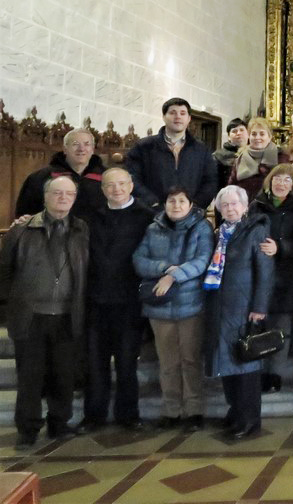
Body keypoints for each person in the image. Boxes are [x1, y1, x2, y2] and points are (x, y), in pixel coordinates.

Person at [1, 176, 88, 450]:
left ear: (75, 199)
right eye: (57, 193)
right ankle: (27, 430)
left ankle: (59, 424)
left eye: (69, 194)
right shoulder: (22, 229)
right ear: (45, 196)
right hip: (31, 315)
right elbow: (5, 271)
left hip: (67, 315)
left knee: (63, 375)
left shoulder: (82, 229)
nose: (63, 198)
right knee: (30, 376)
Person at [133, 186, 215, 432]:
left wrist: (174, 276)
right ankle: (171, 410)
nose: (176, 205)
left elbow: (202, 260)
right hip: (160, 308)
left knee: (190, 360)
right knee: (168, 362)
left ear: (190, 205)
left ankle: (194, 410)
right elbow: (139, 259)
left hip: (191, 305)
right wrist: (164, 269)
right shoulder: (153, 229)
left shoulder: (201, 228)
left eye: (181, 201)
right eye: (171, 201)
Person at [80, 168, 154, 432]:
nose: (116, 189)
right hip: (96, 300)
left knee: (126, 362)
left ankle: (128, 414)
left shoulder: (147, 217)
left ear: (131, 186)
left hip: (129, 301)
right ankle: (94, 416)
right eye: (110, 185)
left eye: (122, 184)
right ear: (103, 190)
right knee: (95, 363)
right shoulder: (91, 217)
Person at [205, 186, 276, 440]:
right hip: (221, 307)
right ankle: (235, 412)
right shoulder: (219, 233)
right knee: (227, 362)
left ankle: (250, 419)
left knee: (246, 364)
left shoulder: (256, 231)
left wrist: (259, 307)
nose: (230, 208)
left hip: (245, 307)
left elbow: (265, 271)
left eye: (235, 204)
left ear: (245, 207)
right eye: (225, 205)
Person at [249, 165, 293, 394]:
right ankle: (258, 372)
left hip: (287, 275)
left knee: (283, 328)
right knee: (259, 327)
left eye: (287, 180)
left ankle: (275, 374)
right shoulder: (256, 206)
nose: (281, 183)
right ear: (269, 182)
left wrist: (280, 247)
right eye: (277, 179)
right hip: (259, 274)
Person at [124, 98, 218, 210]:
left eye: (182, 113)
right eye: (172, 112)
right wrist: (152, 202)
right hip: (152, 212)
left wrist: (194, 206)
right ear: (164, 117)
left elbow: (210, 181)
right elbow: (132, 177)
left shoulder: (201, 149)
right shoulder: (144, 146)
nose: (178, 117)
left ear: (189, 118)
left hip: (190, 213)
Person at [16, 127, 106, 218]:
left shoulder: (106, 177)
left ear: (92, 149)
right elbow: (26, 214)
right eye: (75, 144)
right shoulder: (41, 177)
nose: (81, 149)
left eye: (87, 144)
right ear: (65, 149)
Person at [228, 117, 285, 202]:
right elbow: (231, 187)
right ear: (249, 136)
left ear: (269, 137)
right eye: (254, 134)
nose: (257, 137)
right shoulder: (240, 158)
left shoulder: (281, 157)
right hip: (244, 205)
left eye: (262, 134)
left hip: (271, 206)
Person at [214, 119, 248, 189]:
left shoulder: (255, 154)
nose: (238, 133)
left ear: (248, 134)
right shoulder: (218, 156)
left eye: (242, 130)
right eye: (234, 131)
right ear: (229, 137)